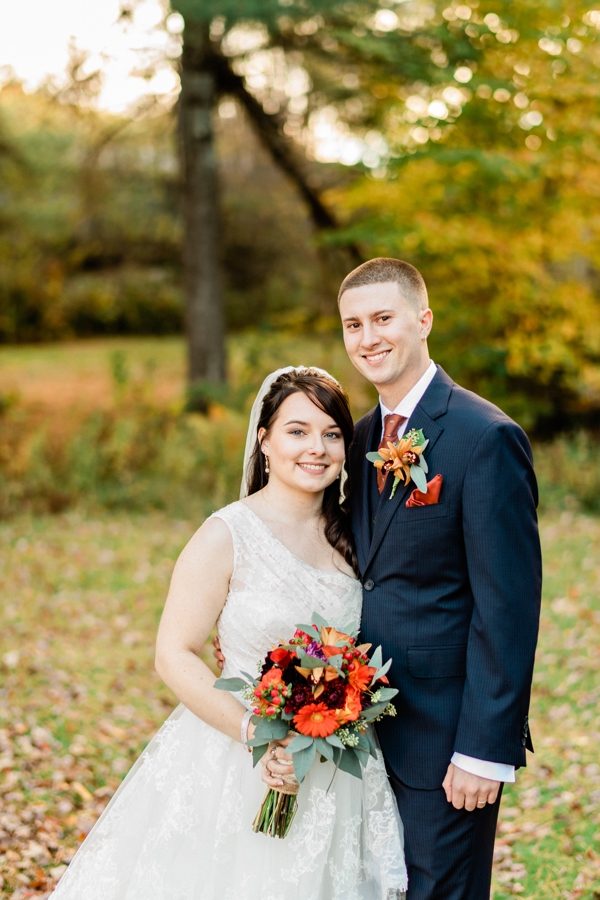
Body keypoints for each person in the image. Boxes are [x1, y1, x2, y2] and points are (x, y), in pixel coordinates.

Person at [217, 259, 542, 900]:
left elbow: (507, 608)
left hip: (445, 744)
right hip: (351, 741)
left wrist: (484, 750)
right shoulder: (356, 441)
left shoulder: (485, 438)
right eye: (353, 324)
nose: (368, 337)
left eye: (383, 318)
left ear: (424, 320)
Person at [51, 366, 408, 900]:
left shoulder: (359, 534)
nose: (317, 448)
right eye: (297, 431)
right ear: (264, 441)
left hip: (338, 766)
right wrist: (253, 736)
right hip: (234, 756)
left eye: (332, 434)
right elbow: (173, 653)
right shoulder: (225, 535)